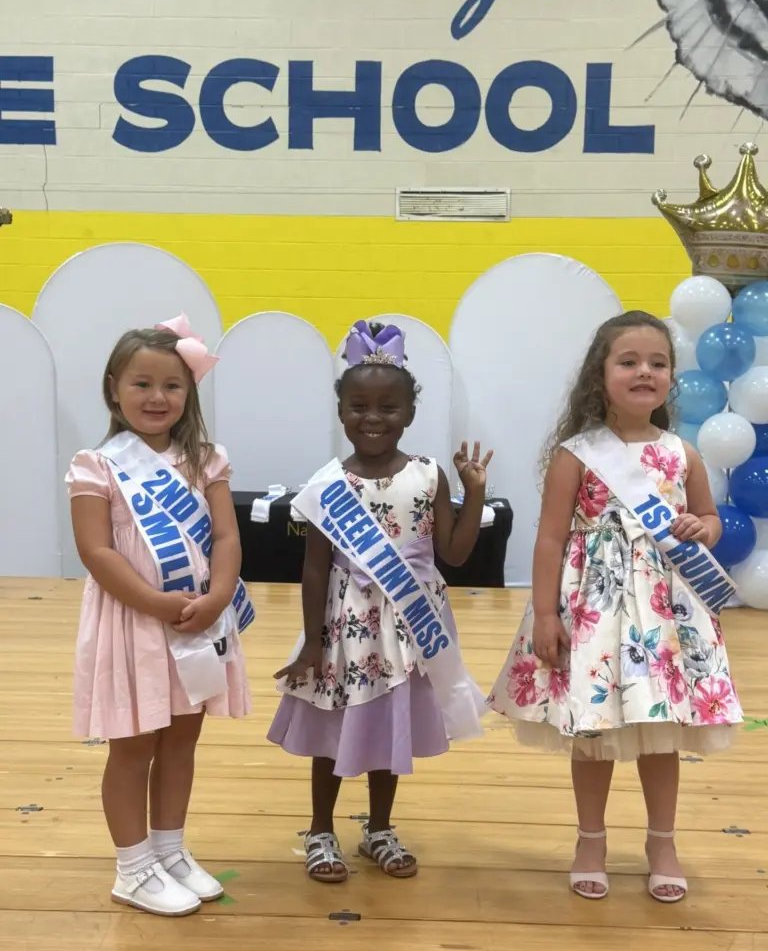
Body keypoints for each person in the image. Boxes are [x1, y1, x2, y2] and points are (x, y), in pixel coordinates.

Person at [487, 310, 742, 904]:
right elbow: (550, 539)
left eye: (658, 363)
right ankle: (590, 841)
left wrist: (701, 528)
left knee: (661, 732)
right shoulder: (576, 454)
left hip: (664, 616)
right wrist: (545, 615)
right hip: (593, 611)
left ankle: (662, 844)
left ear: (671, 378)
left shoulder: (683, 453)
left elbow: (710, 519)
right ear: (598, 376)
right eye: (628, 361)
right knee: (592, 729)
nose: (644, 371)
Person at [267, 320, 491, 882]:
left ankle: (380, 829)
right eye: (359, 406)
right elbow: (314, 568)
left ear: (409, 413)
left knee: (390, 725)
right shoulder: (327, 485)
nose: (373, 418)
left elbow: (454, 554)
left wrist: (475, 493)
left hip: (409, 625)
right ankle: (321, 830)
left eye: (388, 407)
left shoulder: (429, 475)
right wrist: (312, 644)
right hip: (345, 625)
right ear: (341, 412)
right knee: (333, 726)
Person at [66, 314, 253, 917]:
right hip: (134, 624)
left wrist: (218, 596)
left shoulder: (206, 460)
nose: (156, 397)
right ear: (113, 388)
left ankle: (169, 851)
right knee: (133, 744)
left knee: (181, 738)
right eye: (141, 383)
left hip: (196, 620)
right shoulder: (96, 465)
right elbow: (95, 551)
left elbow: (226, 536)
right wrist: (153, 602)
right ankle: (132, 868)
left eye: (172, 385)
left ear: (189, 391)